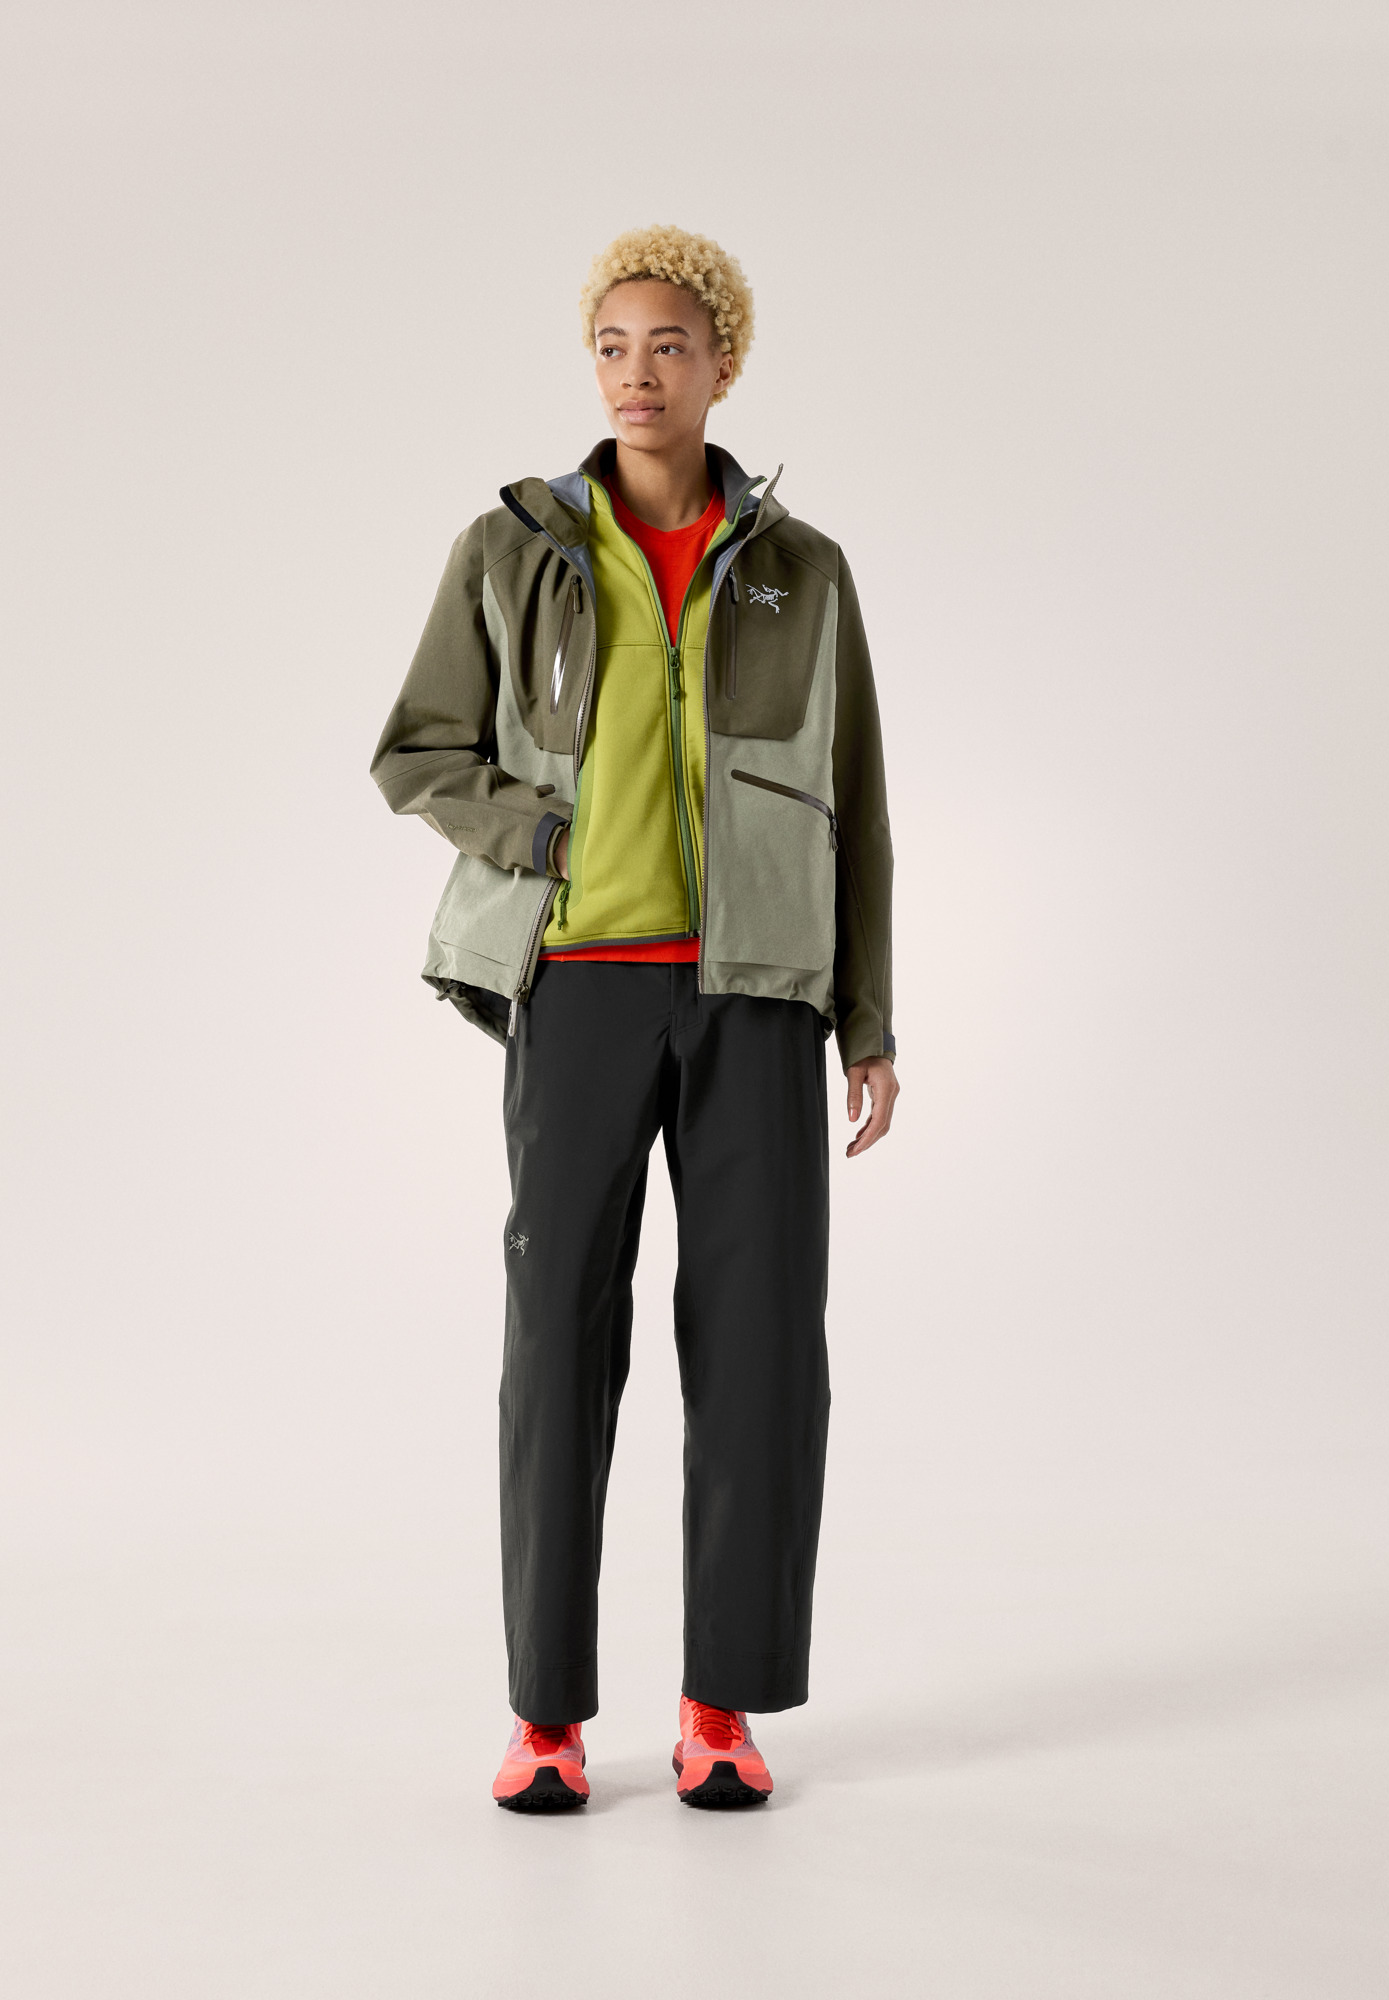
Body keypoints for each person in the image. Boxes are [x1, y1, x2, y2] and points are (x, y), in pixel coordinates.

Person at [371, 225, 897, 1811]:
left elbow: (857, 808)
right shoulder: (513, 549)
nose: (637, 374)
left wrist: (867, 1018)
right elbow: (417, 751)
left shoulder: (804, 572)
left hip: (758, 1001)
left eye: (669, 345)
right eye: (612, 345)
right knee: (558, 1347)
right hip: (581, 988)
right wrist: (541, 837)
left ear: (724, 362)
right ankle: (545, 1718)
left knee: (760, 1355)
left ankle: (720, 1708)